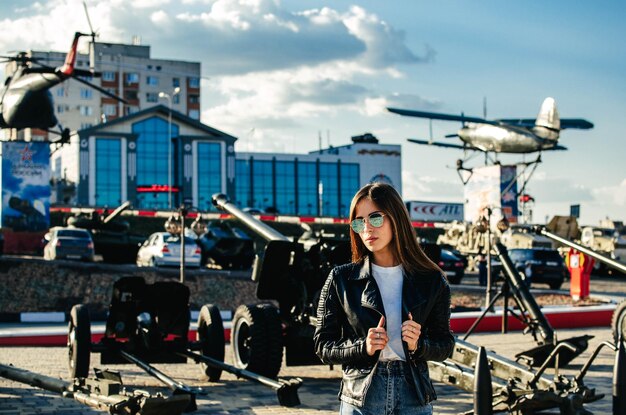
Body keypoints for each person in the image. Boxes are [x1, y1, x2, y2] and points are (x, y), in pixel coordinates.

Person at [314, 183, 455, 415]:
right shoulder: (341, 278)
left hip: (413, 396)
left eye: (376, 218)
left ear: (396, 218)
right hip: (361, 396)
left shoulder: (432, 280)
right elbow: (323, 346)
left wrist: (418, 344)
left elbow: (445, 345)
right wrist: (363, 347)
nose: (367, 228)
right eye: (359, 222)